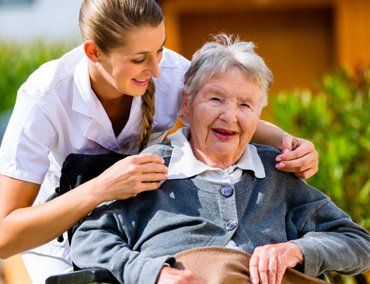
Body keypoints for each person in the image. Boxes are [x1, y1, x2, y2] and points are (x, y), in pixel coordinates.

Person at [0, 0, 318, 282]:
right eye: (139, 59)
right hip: (60, 237)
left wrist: (290, 142)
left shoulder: (170, 72)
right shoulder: (45, 96)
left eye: (160, 49)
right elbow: (5, 236)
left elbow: (225, 115)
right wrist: (102, 188)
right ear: (94, 52)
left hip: (141, 234)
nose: (155, 69)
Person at [71, 34, 370, 284]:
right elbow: (89, 240)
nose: (229, 116)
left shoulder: (276, 172)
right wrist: (153, 273)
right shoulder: (152, 169)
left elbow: (358, 242)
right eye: (215, 99)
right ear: (186, 106)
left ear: (258, 116)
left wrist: (297, 250)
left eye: (245, 105)